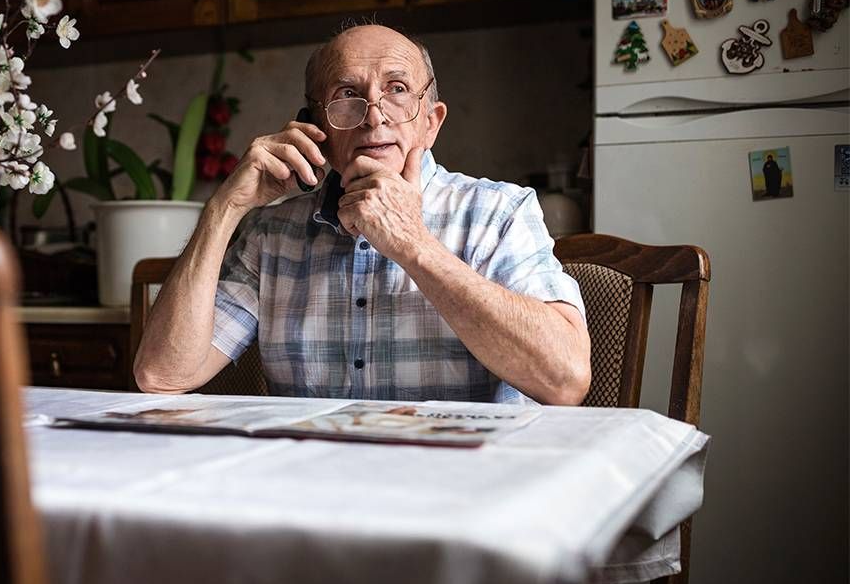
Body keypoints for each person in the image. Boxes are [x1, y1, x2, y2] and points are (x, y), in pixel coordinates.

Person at [133, 24, 591, 405]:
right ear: (316, 128)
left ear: (430, 122)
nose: (374, 118)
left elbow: (565, 380)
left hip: (457, 491)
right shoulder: (269, 232)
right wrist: (224, 207)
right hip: (311, 492)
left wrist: (412, 243)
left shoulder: (499, 213)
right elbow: (162, 375)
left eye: (397, 90)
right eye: (348, 94)